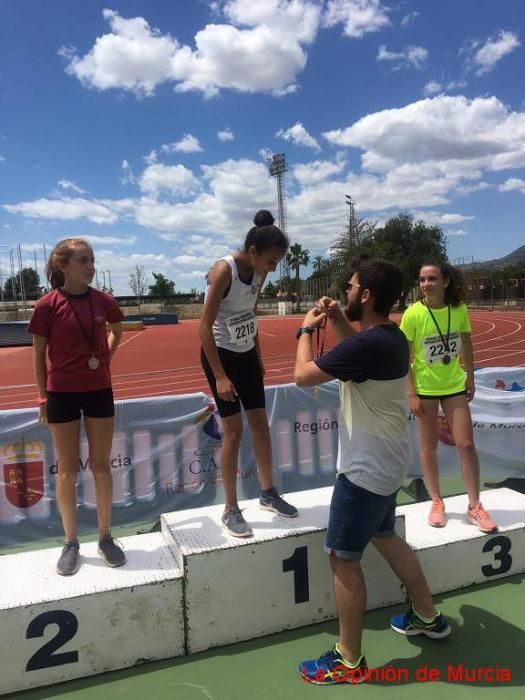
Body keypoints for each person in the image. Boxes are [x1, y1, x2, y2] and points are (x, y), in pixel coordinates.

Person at [295, 256, 450, 685]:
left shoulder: (369, 346)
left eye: (350, 286)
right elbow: (354, 344)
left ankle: (349, 659)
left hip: (362, 472)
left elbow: (301, 376)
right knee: (386, 537)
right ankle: (426, 615)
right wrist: (336, 317)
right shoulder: (390, 337)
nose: (344, 291)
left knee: (342, 559)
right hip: (388, 465)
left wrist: (307, 329)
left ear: (365, 295)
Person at [28, 238, 126, 575]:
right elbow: (38, 354)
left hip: (99, 390)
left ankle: (106, 537)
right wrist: (42, 397)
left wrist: (106, 358)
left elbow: (118, 330)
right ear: (63, 266)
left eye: (92, 260)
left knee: (101, 466)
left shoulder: (105, 301)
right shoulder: (46, 305)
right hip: (61, 394)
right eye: (83, 260)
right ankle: (71, 543)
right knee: (67, 470)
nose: (90, 266)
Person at [199, 210, 298, 537]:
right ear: (254, 252)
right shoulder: (223, 271)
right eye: (271, 260)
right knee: (233, 432)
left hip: (245, 356)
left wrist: (258, 357)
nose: (273, 267)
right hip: (220, 357)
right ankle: (230, 509)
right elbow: (203, 328)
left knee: (261, 426)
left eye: (277, 261)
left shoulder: (260, 270)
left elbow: (249, 315)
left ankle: (268, 493)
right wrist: (220, 376)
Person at [400, 261, 498, 533]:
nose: (426, 284)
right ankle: (436, 500)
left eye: (432, 279)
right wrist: (412, 393)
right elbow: (403, 358)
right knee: (428, 446)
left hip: (454, 385)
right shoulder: (412, 314)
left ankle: (474, 505)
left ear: (445, 282)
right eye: (422, 279)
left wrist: (471, 377)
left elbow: (466, 343)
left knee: (466, 443)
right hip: (425, 389)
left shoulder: (459, 309)